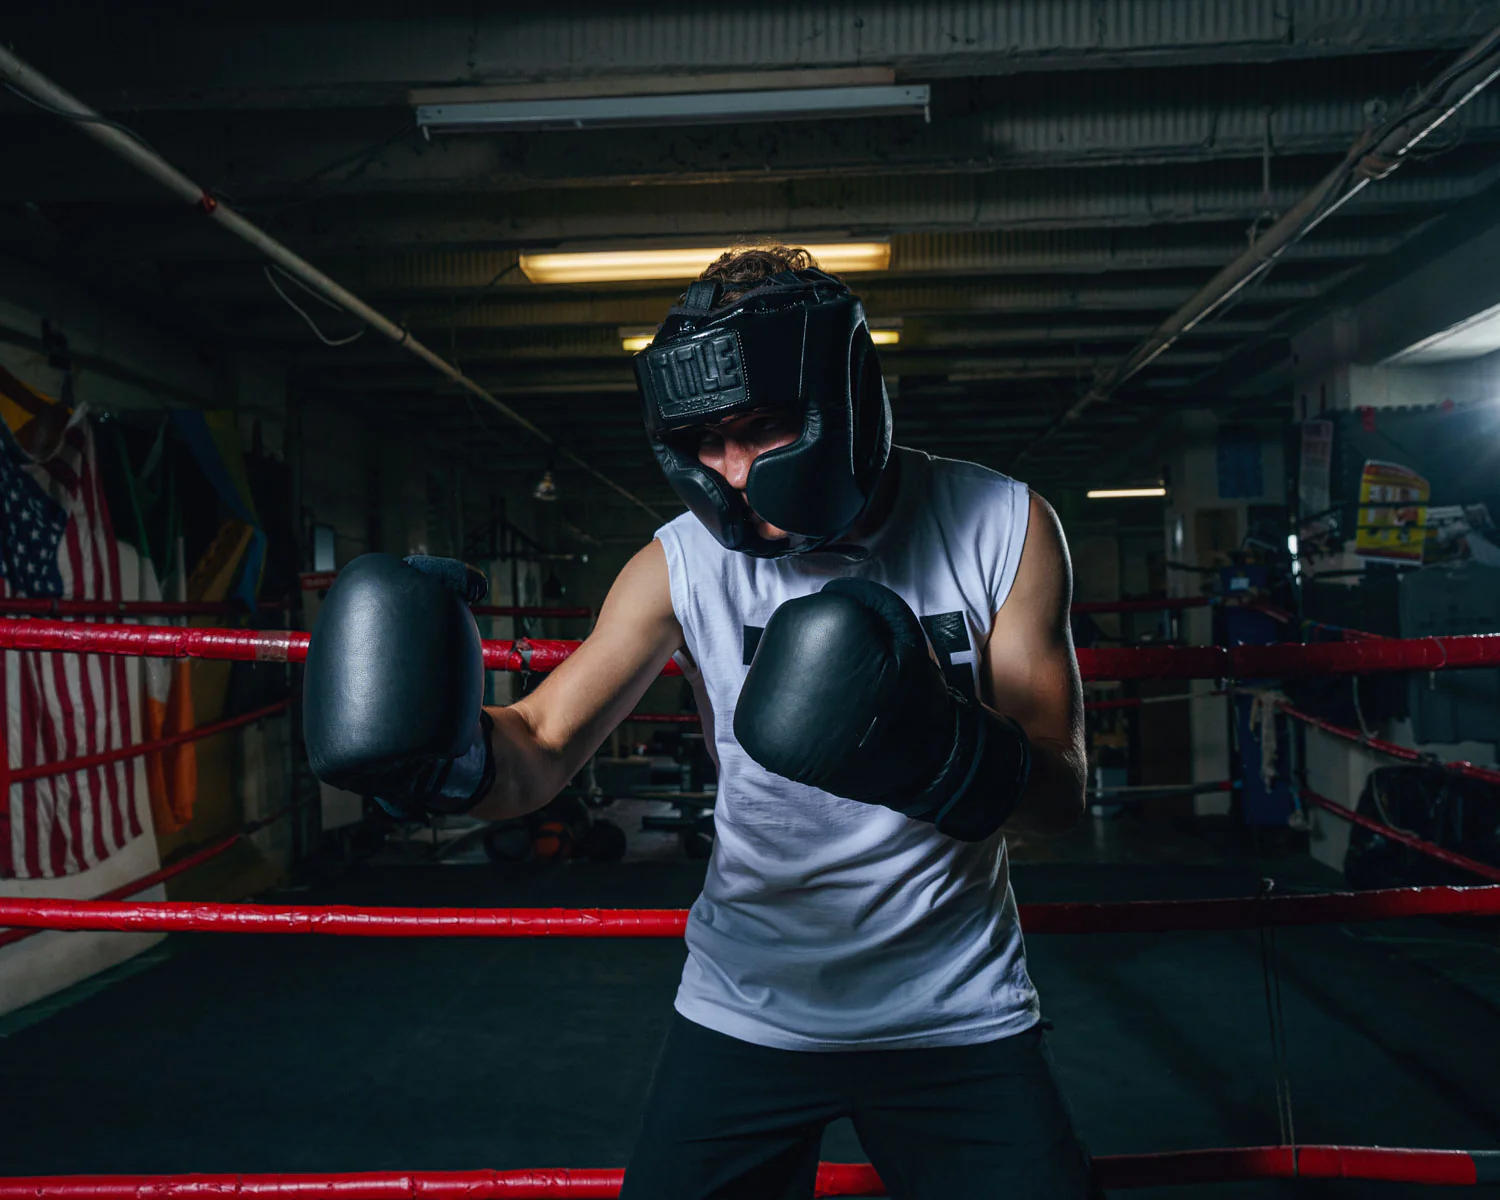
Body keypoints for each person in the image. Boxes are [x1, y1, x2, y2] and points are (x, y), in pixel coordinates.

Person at [303, 244, 1100, 1199]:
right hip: (746, 1007)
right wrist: (441, 758)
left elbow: (1060, 796)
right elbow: (543, 747)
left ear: (842, 401)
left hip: (952, 1010)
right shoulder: (677, 563)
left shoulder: (1002, 525)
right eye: (702, 445)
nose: (730, 475)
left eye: (759, 431)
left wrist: (937, 745)